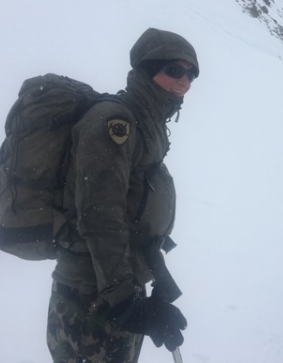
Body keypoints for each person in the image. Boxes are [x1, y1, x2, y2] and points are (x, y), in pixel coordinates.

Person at [46, 28, 199, 363]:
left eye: (191, 74)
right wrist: (125, 301)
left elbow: (134, 207)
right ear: (146, 70)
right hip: (92, 293)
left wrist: (150, 277)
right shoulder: (115, 121)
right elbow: (99, 214)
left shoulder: (147, 122)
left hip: (117, 283)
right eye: (174, 69)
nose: (184, 81)